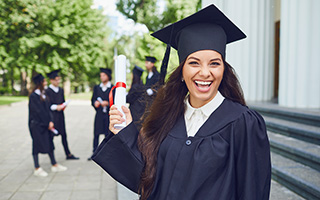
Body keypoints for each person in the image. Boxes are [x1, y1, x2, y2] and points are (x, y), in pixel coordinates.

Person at [93, 4, 271, 200]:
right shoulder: (169, 116)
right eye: (194, 62)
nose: (205, 72)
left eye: (214, 63)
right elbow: (148, 178)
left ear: (224, 70)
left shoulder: (243, 122)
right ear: (181, 72)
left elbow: (252, 191)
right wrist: (125, 130)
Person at [28, 73, 67, 177]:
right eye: (44, 82)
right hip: (37, 125)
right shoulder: (34, 96)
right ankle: (37, 167)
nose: (45, 83)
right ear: (39, 83)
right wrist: (47, 122)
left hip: (46, 124)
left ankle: (54, 164)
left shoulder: (43, 94)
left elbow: (48, 109)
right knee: (36, 145)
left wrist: (50, 121)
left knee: (50, 144)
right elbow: (37, 113)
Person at [45, 69, 79, 160]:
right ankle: (51, 156)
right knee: (51, 136)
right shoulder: (47, 91)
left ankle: (68, 154)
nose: (58, 81)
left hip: (60, 116)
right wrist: (57, 107)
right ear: (51, 80)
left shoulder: (60, 90)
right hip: (52, 116)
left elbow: (62, 102)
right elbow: (47, 105)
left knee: (64, 135)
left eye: (59, 79)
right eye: (56, 79)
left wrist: (64, 105)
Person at [88, 68, 114, 160]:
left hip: (108, 115)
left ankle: (107, 154)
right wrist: (95, 103)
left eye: (103, 75)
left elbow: (115, 102)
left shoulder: (112, 88)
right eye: (101, 76)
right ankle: (94, 152)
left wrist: (108, 103)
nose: (102, 77)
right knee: (96, 133)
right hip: (99, 114)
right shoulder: (97, 87)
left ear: (108, 76)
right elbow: (93, 99)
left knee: (108, 134)